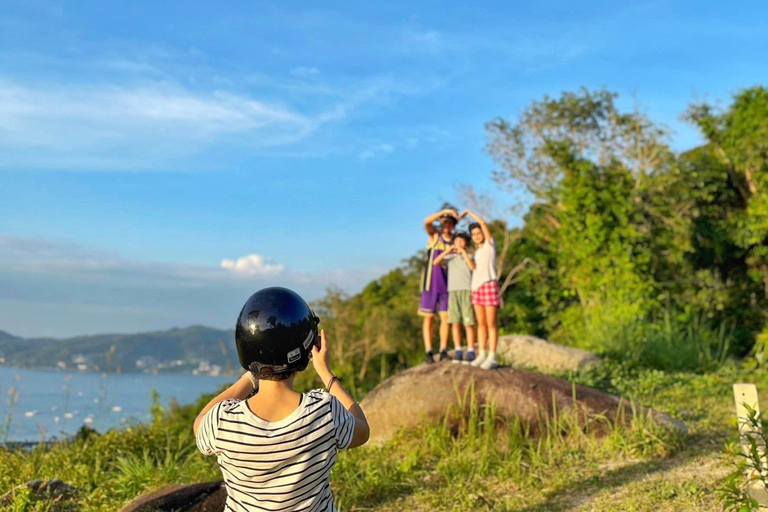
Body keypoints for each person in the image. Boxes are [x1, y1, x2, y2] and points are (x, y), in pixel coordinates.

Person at [193, 287, 370, 512]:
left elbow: (199, 423)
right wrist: (326, 373)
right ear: (307, 351)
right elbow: (362, 431)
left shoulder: (222, 421)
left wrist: (251, 376)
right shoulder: (324, 410)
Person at [463, 210, 501, 370]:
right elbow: (472, 268)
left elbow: (484, 223)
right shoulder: (477, 253)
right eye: (474, 234)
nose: (477, 235)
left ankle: (492, 356)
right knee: (481, 324)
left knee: (491, 323)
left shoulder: (489, 246)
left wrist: (468, 212)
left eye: (479, 233)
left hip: (489, 285)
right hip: (476, 287)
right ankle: (482, 354)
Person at [419, 206, 458, 363]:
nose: (446, 224)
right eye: (444, 221)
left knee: (446, 319)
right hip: (430, 284)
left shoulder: (456, 240)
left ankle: (443, 349)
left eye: (450, 222)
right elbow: (426, 222)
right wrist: (444, 212)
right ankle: (429, 351)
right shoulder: (435, 236)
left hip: (448, 286)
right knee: (429, 318)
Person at [433, 230, 476, 364]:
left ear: (466, 243)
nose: (459, 243)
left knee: (468, 322)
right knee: (455, 322)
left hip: (467, 290)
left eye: (462, 241)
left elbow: (472, 267)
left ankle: (470, 350)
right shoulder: (450, 257)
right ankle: (458, 350)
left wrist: (463, 253)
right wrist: (448, 251)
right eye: (457, 240)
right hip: (453, 291)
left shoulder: (470, 255)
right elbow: (436, 262)